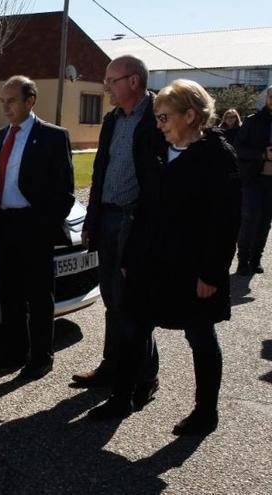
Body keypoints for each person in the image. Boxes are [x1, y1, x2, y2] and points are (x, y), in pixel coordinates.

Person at [89, 79, 241, 436]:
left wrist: (212, 273)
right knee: (132, 328)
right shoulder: (157, 147)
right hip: (149, 260)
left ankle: (206, 412)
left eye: (164, 117)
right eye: (157, 118)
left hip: (194, 267)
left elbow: (226, 221)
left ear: (191, 115)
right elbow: (146, 208)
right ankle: (122, 396)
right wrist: (130, 256)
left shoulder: (217, 156)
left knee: (201, 337)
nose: (159, 125)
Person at [72, 55, 161, 399]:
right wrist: (92, 220)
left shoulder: (156, 118)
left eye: (112, 80)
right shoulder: (112, 119)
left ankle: (145, 375)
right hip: (108, 218)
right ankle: (112, 367)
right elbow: (100, 172)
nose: (105, 87)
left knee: (135, 304)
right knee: (112, 299)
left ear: (134, 81)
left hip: (136, 222)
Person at [0, 75, 74, 380]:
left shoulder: (53, 137)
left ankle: (41, 356)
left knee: (38, 294)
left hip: (34, 226)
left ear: (30, 101)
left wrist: (44, 225)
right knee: (10, 294)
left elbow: (65, 191)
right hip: (4, 225)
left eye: (12, 101)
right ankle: (15, 350)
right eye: (2, 101)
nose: (6, 107)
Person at [235, 86, 272, 276]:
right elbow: (238, 148)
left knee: (265, 222)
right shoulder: (254, 121)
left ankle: (256, 259)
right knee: (249, 219)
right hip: (253, 178)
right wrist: (262, 154)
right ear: (267, 98)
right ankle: (243, 260)